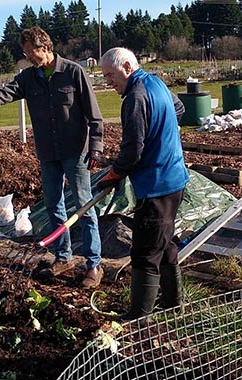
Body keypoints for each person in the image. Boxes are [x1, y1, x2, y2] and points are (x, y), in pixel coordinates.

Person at [0, 27, 105, 289]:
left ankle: (94, 265)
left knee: (84, 206)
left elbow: (94, 115)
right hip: (48, 153)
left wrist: (96, 147)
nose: (28, 57)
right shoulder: (28, 78)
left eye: (31, 52)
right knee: (53, 206)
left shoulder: (73, 72)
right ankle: (64, 257)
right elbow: (1, 94)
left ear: (45, 47)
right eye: (25, 53)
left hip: (75, 151)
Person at [96, 47, 189, 320]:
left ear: (127, 66)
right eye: (105, 77)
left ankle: (138, 317)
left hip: (157, 184)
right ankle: (174, 305)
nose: (109, 82)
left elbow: (133, 150)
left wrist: (114, 173)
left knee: (145, 253)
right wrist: (163, 133)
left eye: (111, 75)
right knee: (165, 243)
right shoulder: (155, 83)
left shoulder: (135, 97)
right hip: (174, 179)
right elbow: (178, 108)